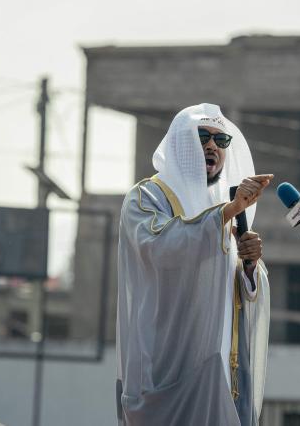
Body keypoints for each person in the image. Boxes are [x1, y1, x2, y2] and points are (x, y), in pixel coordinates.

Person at [116, 103, 273, 425]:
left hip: (223, 369)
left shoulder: (220, 208)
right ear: (180, 144)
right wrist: (227, 213)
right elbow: (160, 248)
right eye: (202, 137)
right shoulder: (147, 197)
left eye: (221, 140)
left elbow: (235, 292)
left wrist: (249, 267)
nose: (212, 146)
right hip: (168, 365)